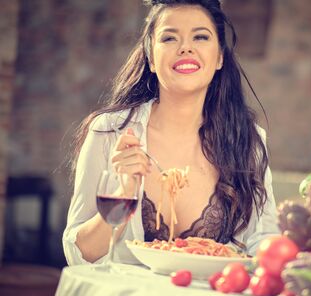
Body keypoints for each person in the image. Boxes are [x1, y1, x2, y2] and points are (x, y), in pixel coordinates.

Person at [63, 0, 279, 265]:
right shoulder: (110, 131)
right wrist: (123, 194)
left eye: (200, 36)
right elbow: (80, 255)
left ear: (220, 57)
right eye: (169, 38)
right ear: (151, 58)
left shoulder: (248, 141)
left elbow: (263, 239)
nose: (186, 47)